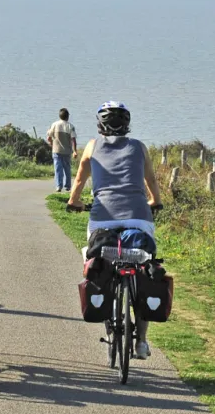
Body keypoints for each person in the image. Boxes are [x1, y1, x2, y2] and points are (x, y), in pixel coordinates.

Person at [67, 101, 161, 359]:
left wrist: (73, 202)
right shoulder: (139, 147)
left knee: (100, 264)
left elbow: (79, 179)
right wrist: (156, 201)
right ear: (127, 124)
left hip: (102, 219)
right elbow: (150, 179)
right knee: (142, 273)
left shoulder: (92, 146)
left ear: (100, 125)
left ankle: (109, 324)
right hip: (139, 217)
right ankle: (141, 342)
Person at [46, 107, 77, 193]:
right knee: (67, 169)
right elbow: (73, 140)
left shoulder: (55, 124)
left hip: (56, 151)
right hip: (67, 152)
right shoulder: (70, 126)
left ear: (60, 116)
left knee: (58, 169)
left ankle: (58, 186)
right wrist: (75, 151)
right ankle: (67, 186)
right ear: (67, 117)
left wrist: (51, 143)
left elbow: (49, 137)